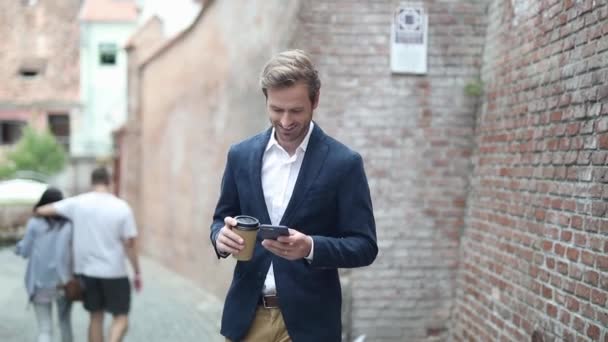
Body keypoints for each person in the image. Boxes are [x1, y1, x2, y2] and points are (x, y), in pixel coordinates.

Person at [210, 49, 378, 342]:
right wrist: (220, 239)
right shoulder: (241, 155)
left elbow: (364, 246)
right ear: (266, 99)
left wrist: (311, 247)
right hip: (248, 319)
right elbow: (219, 220)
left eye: (296, 111)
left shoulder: (344, 163)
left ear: (315, 100)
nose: (286, 121)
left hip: (310, 324)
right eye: (276, 109)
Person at [36, 167, 141, 342]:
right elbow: (130, 244)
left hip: (87, 272)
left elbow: (42, 211)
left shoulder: (77, 203)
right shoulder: (121, 207)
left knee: (95, 317)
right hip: (114, 271)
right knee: (121, 318)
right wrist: (137, 271)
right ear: (110, 181)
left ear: (92, 182)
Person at [16, 187, 73, 342]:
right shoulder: (68, 225)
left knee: (45, 328)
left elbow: (25, 251)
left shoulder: (35, 223)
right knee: (65, 323)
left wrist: (19, 246)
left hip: (40, 283)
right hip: (64, 281)